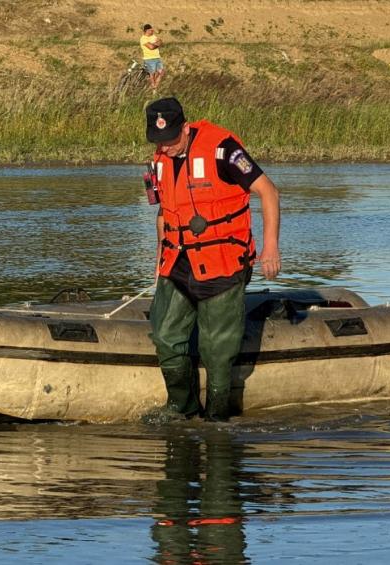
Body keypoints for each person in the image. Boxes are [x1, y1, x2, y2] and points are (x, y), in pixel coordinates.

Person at [144, 97, 281, 421]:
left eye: (171, 140)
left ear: (186, 129)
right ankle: (182, 407)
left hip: (223, 262)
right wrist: (159, 257)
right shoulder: (158, 160)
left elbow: (269, 191)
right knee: (164, 334)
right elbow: (164, 213)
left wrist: (270, 246)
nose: (165, 148)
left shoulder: (224, 149)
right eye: (159, 142)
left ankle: (217, 417)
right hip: (178, 261)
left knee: (217, 351)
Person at [140, 24, 165, 91]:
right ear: (147, 31)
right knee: (152, 74)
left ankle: (154, 87)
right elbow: (151, 47)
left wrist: (156, 43)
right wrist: (157, 44)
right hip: (149, 58)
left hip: (157, 57)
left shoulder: (153, 36)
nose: (152, 31)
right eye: (151, 30)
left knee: (161, 72)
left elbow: (161, 43)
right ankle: (154, 89)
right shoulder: (143, 39)